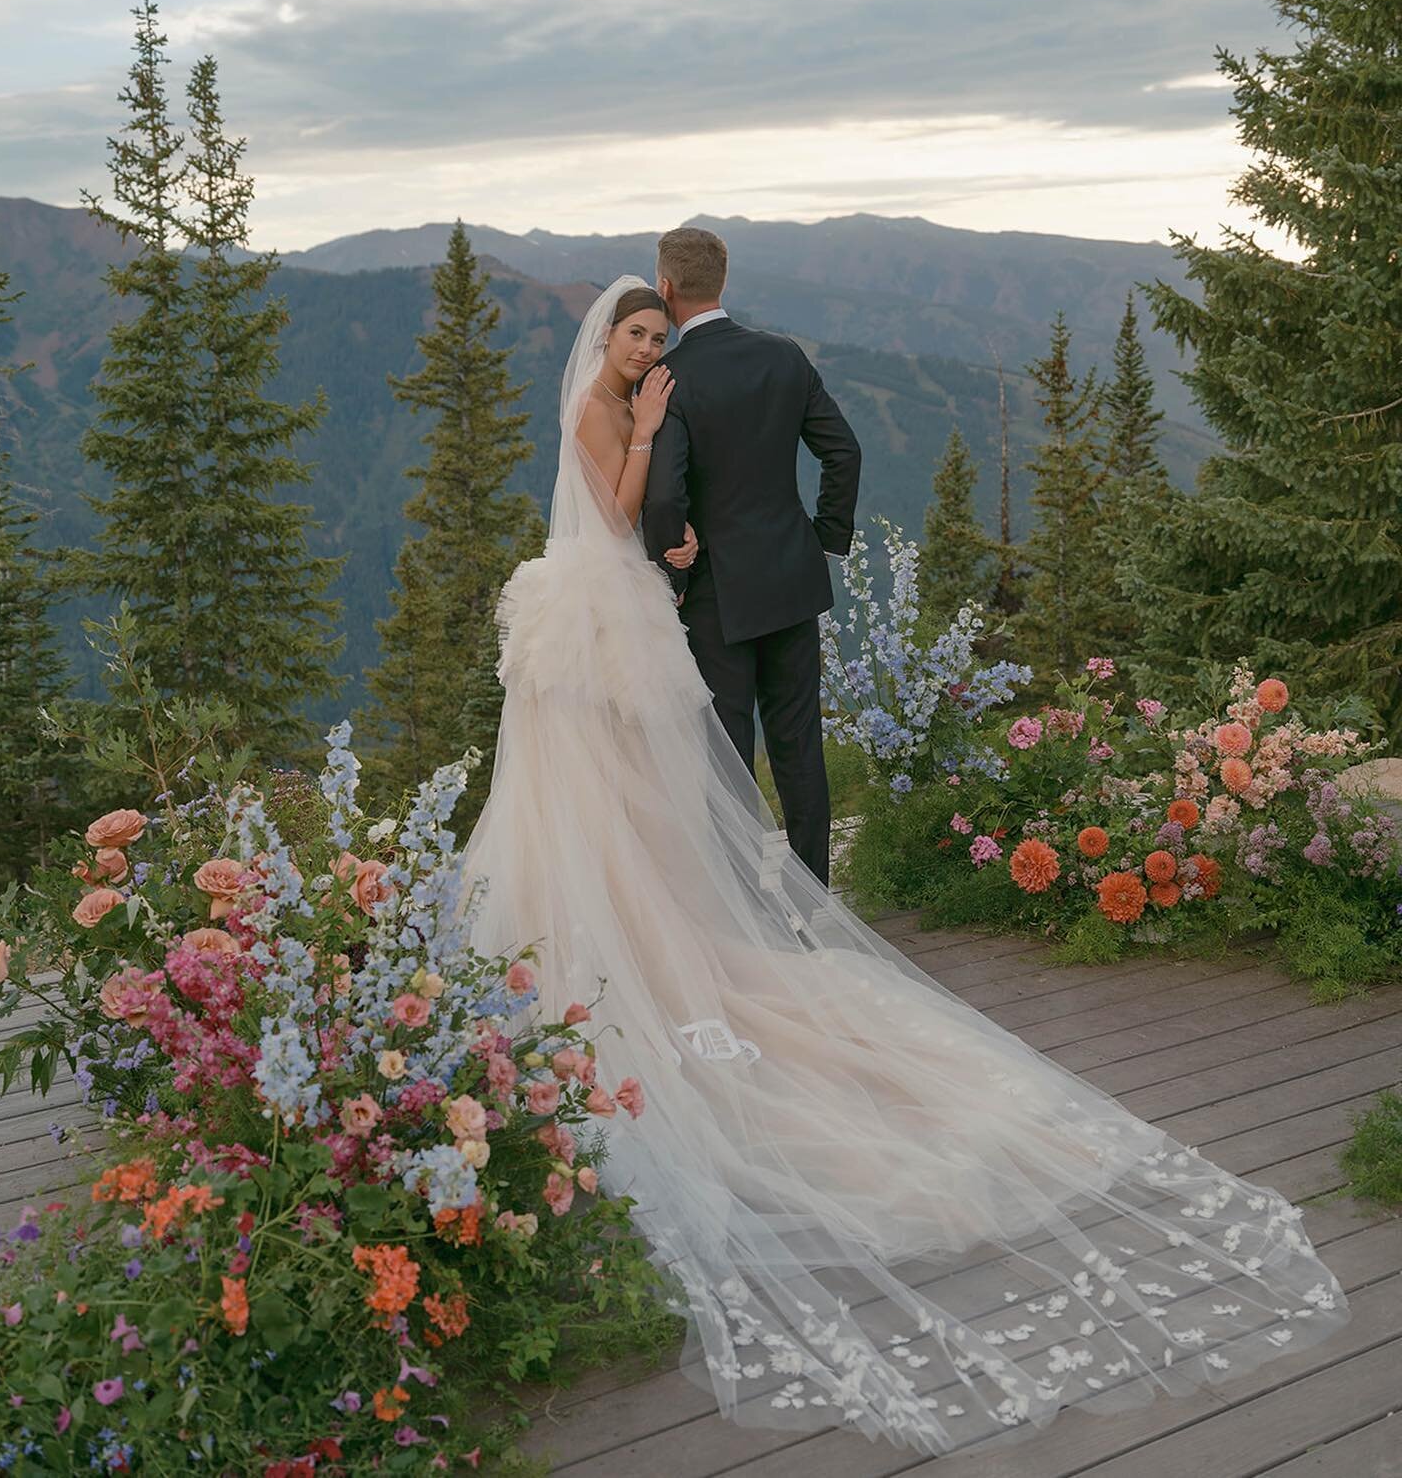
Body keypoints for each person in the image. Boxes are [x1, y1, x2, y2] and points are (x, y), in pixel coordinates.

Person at [462, 270, 1347, 1461]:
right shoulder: (656, 394)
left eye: (654, 332)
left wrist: (673, 475)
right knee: (673, 779)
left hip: (670, 596)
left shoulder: (662, 384)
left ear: (676, 308)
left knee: (674, 780)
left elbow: (653, 507)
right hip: (641, 599)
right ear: (609, 341)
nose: (647, 349)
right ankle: (705, 909)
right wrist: (695, 460)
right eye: (633, 336)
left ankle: (688, 912)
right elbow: (649, 503)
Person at [642, 226, 861, 886]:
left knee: (730, 756)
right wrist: (822, 535)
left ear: (667, 289)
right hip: (793, 580)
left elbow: (662, 499)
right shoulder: (784, 356)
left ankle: (739, 903)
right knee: (799, 746)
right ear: (722, 282)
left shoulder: (670, 379)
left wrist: (670, 557)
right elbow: (844, 451)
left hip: (718, 595)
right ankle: (814, 892)